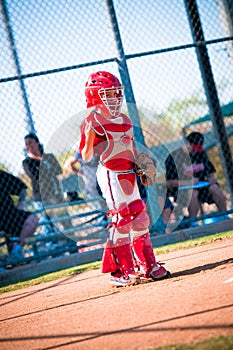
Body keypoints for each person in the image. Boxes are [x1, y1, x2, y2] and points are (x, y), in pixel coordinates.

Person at [79, 70, 170, 287]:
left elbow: (128, 146)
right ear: (95, 96)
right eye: (109, 94)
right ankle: (119, 271)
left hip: (129, 173)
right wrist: (91, 135)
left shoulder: (125, 119)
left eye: (117, 93)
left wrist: (139, 160)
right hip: (110, 174)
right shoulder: (92, 121)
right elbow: (86, 156)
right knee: (122, 220)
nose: (115, 98)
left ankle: (147, 265)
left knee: (140, 217)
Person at [165, 131, 227, 224]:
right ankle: (193, 222)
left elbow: (210, 172)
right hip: (181, 190)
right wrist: (188, 182)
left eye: (197, 149)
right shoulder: (174, 157)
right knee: (193, 193)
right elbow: (169, 183)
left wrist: (212, 178)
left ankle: (225, 216)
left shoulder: (201, 154)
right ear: (187, 143)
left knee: (214, 188)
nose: (195, 151)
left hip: (202, 187)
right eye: (193, 148)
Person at [23, 133, 73, 234]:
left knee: (65, 220)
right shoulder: (27, 162)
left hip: (56, 194)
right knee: (49, 225)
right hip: (41, 197)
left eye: (31, 143)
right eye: (26, 144)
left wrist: (43, 169)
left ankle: (72, 245)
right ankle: (54, 245)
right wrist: (48, 169)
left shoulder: (48, 156)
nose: (29, 146)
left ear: (37, 143)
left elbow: (58, 170)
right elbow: (35, 176)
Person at [0, 170, 38, 264]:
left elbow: (22, 188)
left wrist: (21, 203)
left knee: (32, 219)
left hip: (8, 214)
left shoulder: (1, 175)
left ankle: (16, 251)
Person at [64, 151, 108, 224]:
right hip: (92, 188)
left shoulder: (99, 147)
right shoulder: (82, 151)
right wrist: (82, 174)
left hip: (105, 184)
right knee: (101, 213)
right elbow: (68, 165)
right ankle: (104, 229)